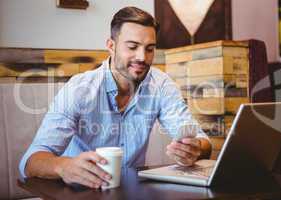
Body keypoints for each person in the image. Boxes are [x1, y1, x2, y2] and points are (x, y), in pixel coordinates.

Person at [19, 6, 212, 189]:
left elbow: (202, 142)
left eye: (150, 48)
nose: (142, 57)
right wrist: (63, 166)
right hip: (78, 192)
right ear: (111, 46)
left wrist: (195, 150)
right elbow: (30, 162)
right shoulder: (79, 89)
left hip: (133, 192)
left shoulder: (161, 85)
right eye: (132, 46)